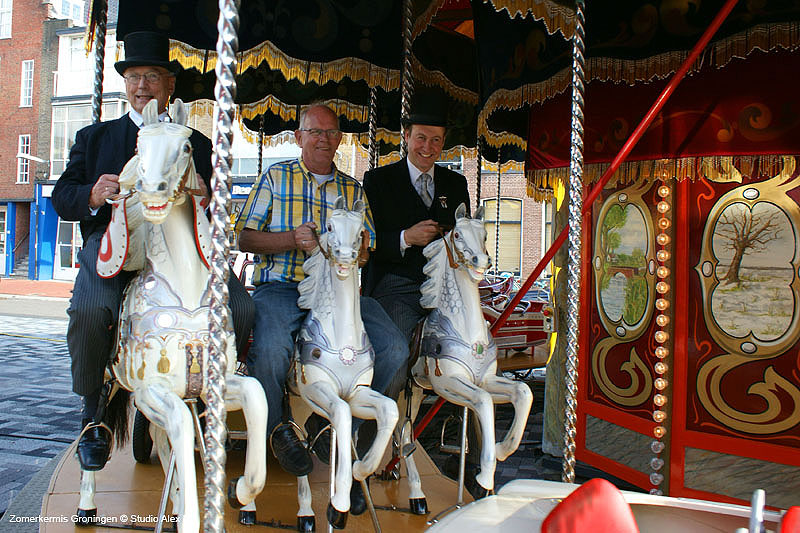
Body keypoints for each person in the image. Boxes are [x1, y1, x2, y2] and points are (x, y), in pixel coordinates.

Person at [52, 31, 255, 471]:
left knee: (240, 306)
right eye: (135, 76)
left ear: (170, 86)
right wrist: (92, 193)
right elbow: (62, 196)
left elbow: (223, 204)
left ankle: (209, 390)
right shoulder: (95, 136)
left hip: (180, 249)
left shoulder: (196, 143)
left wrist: (205, 193)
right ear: (125, 84)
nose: (142, 85)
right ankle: (93, 414)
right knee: (90, 311)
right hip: (114, 247)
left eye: (153, 77)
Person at [235, 104, 407, 501]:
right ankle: (278, 430)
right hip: (283, 285)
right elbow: (244, 237)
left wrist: (356, 251)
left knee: (395, 347)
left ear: (340, 140)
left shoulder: (352, 190)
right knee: (273, 345)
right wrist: (291, 239)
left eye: (331, 133)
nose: (324, 139)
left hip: (339, 292)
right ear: (299, 137)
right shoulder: (276, 177)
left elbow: (368, 248)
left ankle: (335, 430)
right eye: (315, 132)